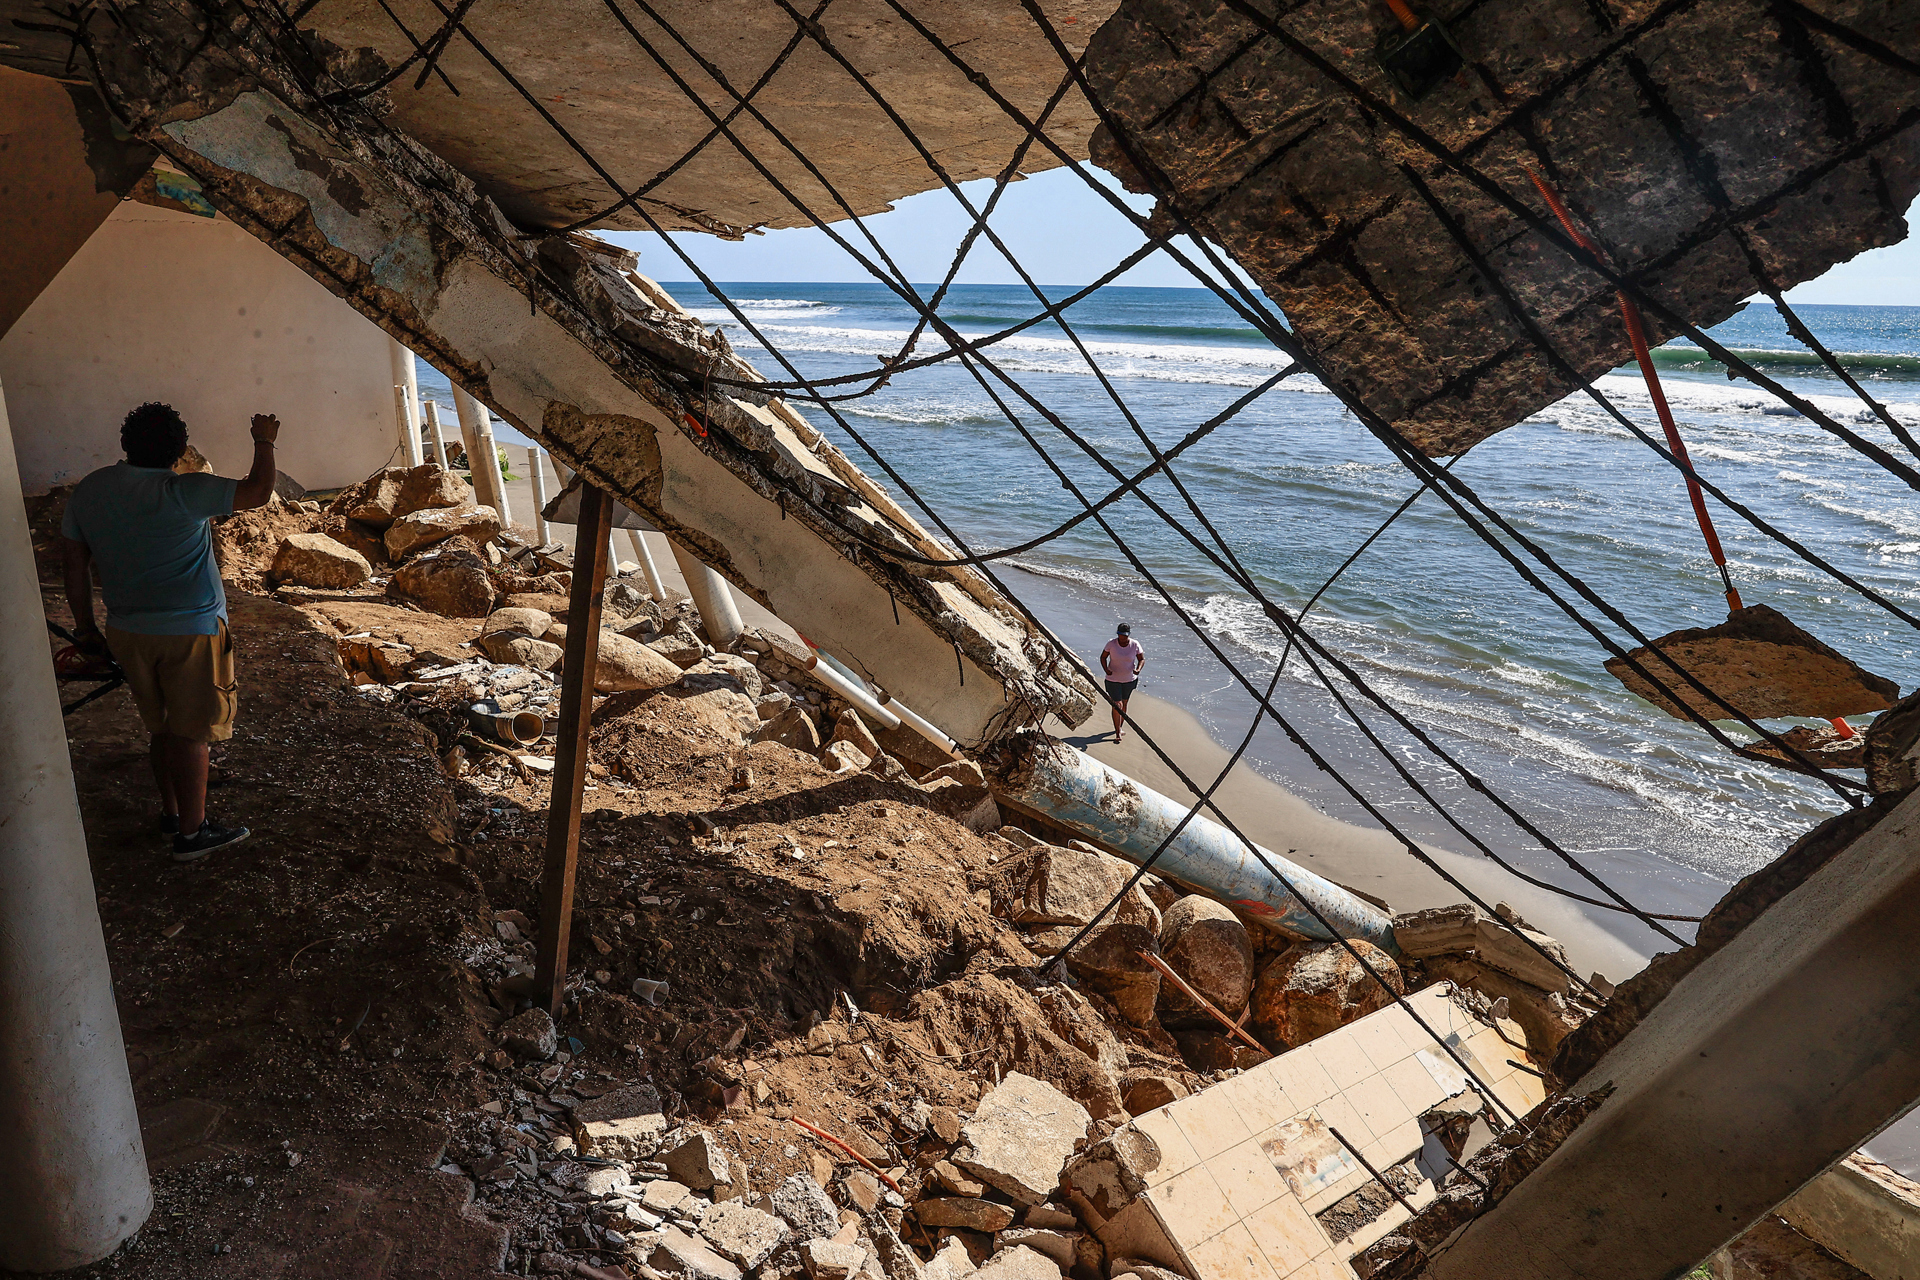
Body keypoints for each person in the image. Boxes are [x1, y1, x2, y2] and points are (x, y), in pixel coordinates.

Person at [61, 402, 283, 861]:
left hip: (127, 630)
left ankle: (171, 814)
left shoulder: (92, 490)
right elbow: (259, 490)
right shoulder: (186, 492)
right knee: (193, 733)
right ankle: (192, 834)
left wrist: (85, 628)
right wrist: (264, 439)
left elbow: (74, 565)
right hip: (191, 631)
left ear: (125, 444)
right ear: (180, 450)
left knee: (161, 728)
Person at [1100, 622, 1146, 742]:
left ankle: (1119, 726)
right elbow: (1103, 657)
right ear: (1118, 634)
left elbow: (1141, 659)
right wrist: (1106, 669)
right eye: (1120, 635)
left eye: (1125, 635)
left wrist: (1138, 670)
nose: (1122, 638)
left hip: (1129, 680)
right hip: (1113, 679)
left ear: (1128, 634)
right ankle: (1117, 732)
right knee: (1117, 704)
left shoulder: (1135, 644)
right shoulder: (1112, 644)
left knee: (1124, 703)